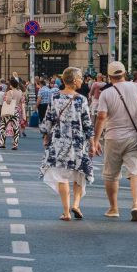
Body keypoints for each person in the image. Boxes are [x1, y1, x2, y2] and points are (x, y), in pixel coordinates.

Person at [92, 61, 137, 221]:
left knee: (111, 175)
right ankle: (136, 204)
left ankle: (113, 208)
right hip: (135, 137)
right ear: (125, 73)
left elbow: (101, 117)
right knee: (136, 172)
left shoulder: (106, 93)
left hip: (113, 138)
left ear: (109, 77)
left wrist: (96, 140)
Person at [39, 67, 94, 221]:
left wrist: (45, 134)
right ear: (74, 80)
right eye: (80, 78)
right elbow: (87, 123)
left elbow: (48, 119)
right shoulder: (81, 100)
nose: (82, 81)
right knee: (79, 173)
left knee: (61, 176)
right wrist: (92, 142)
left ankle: (66, 211)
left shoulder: (55, 97)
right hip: (77, 142)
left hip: (59, 142)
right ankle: (76, 204)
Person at [0, 78, 25, 150]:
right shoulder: (20, 92)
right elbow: (22, 102)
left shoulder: (10, 92)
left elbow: (8, 101)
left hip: (9, 111)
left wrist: (7, 97)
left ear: (11, 85)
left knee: (3, 126)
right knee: (16, 128)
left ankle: (2, 143)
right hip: (16, 111)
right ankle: (15, 144)